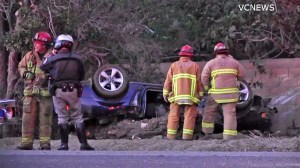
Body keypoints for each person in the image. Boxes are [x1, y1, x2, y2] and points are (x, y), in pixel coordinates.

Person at [40, 34, 94, 150]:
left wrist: (52, 54)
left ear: (58, 44)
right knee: (78, 117)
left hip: (58, 91)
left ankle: (64, 145)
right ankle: (84, 144)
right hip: (73, 90)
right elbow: (81, 75)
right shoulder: (78, 58)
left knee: (62, 117)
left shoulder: (53, 59)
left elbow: (42, 67)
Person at [201, 42, 246, 140]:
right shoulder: (234, 62)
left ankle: (207, 134)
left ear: (216, 52)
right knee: (230, 114)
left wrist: (206, 88)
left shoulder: (211, 63)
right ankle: (229, 136)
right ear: (226, 52)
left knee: (209, 112)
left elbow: (204, 77)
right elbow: (243, 75)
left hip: (215, 94)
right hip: (231, 94)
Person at [17, 31, 54, 150]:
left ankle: (45, 144)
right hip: (30, 93)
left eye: (37, 43)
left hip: (45, 94)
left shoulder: (52, 57)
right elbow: (21, 66)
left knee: (45, 120)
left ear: (44, 45)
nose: (35, 45)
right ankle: (26, 143)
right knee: (27, 119)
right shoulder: (29, 55)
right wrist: (25, 73)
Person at [163, 45, 203, 140]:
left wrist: (165, 93)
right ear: (190, 55)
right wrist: (201, 95)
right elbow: (199, 82)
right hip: (191, 97)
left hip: (176, 97)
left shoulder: (174, 65)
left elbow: (168, 81)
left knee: (173, 116)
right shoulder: (195, 66)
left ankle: (170, 136)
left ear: (181, 55)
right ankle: (187, 137)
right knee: (189, 116)